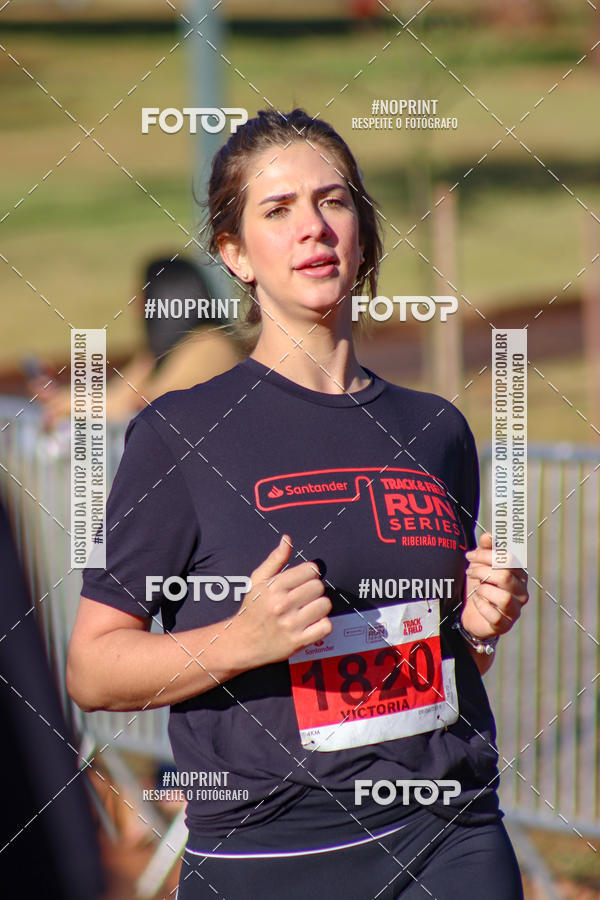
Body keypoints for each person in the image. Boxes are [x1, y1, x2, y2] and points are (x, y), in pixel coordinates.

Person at [66, 108, 529, 899]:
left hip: (448, 830)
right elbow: (91, 668)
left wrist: (478, 629)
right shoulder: (182, 432)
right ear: (236, 255)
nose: (313, 227)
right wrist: (239, 640)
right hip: (273, 850)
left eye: (333, 201)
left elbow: (435, 652)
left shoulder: (437, 429)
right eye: (278, 211)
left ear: (362, 229)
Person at [30, 255, 240, 425]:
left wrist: (71, 404)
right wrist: (61, 399)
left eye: (142, 297)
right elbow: (118, 397)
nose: (136, 306)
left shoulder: (208, 344)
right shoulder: (158, 354)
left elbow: (143, 405)